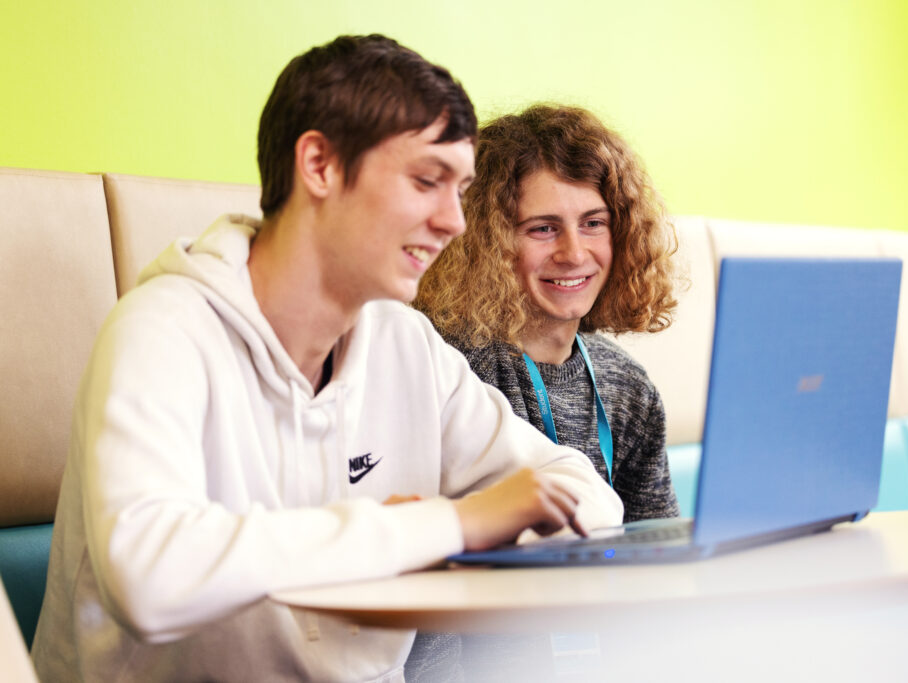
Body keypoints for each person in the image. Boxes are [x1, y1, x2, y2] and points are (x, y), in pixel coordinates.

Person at [31, 36, 621, 683]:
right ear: (318, 164)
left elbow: (587, 496)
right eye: (427, 181)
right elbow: (150, 578)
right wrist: (448, 523)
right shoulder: (160, 329)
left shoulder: (407, 342)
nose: (454, 220)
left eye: (461, 190)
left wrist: (456, 543)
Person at [415, 104, 682, 523]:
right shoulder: (448, 366)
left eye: (593, 223)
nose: (574, 253)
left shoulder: (626, 385)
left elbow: (658, 546)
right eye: (543, 228)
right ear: (487, 243)